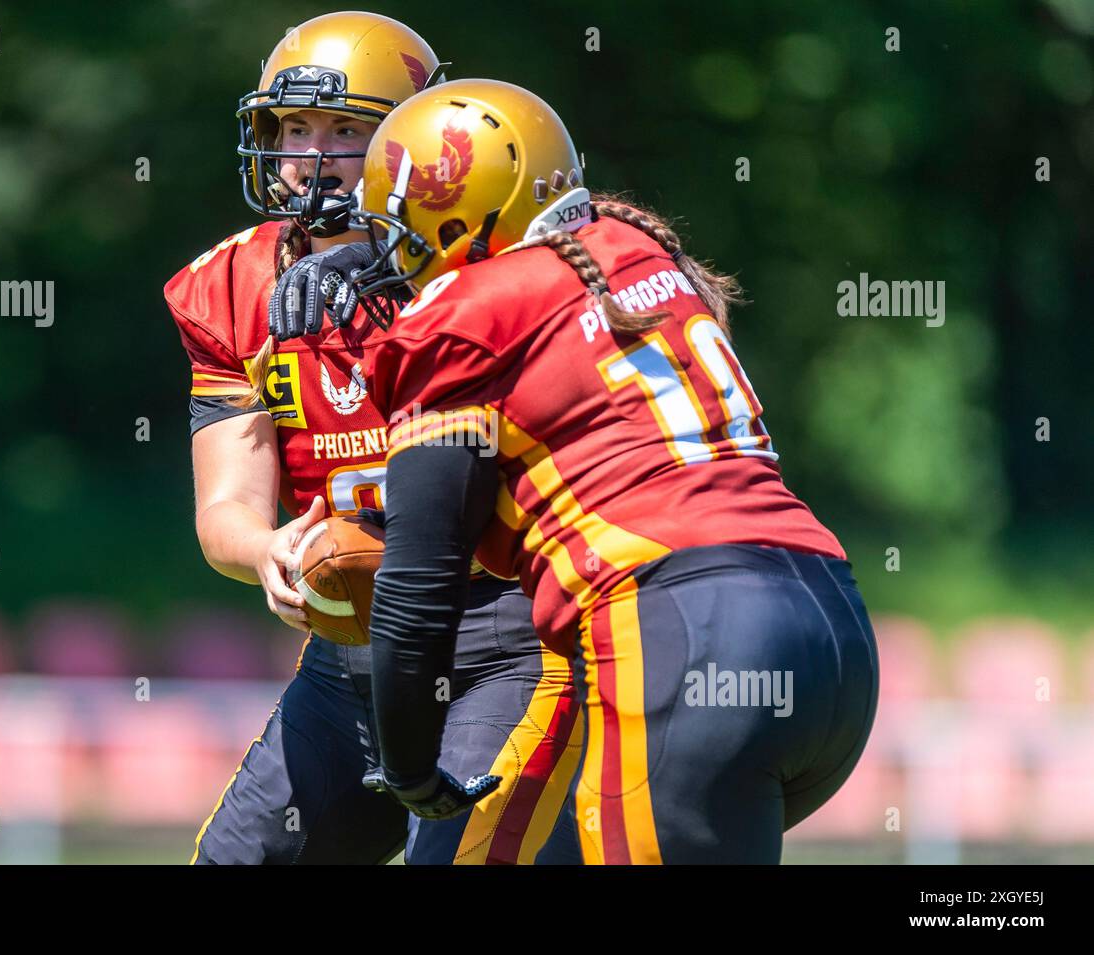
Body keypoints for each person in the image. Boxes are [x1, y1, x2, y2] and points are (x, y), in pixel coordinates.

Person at [343, 77, 880, 863]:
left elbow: (418, 589)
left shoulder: (464, 313)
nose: (389, 254)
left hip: (680, 632)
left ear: (460, 212)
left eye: (401, 227)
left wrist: (409, 767)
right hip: (828, 624)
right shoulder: (635, 251)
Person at [165, 15, 580, 865]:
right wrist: (269, 549)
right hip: (354, 643)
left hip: (509, 633)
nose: (312, 155)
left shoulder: (484, 263)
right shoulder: (232, 286)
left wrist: (395, 280)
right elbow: (225, 507)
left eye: (347, 129)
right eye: (294, 128)